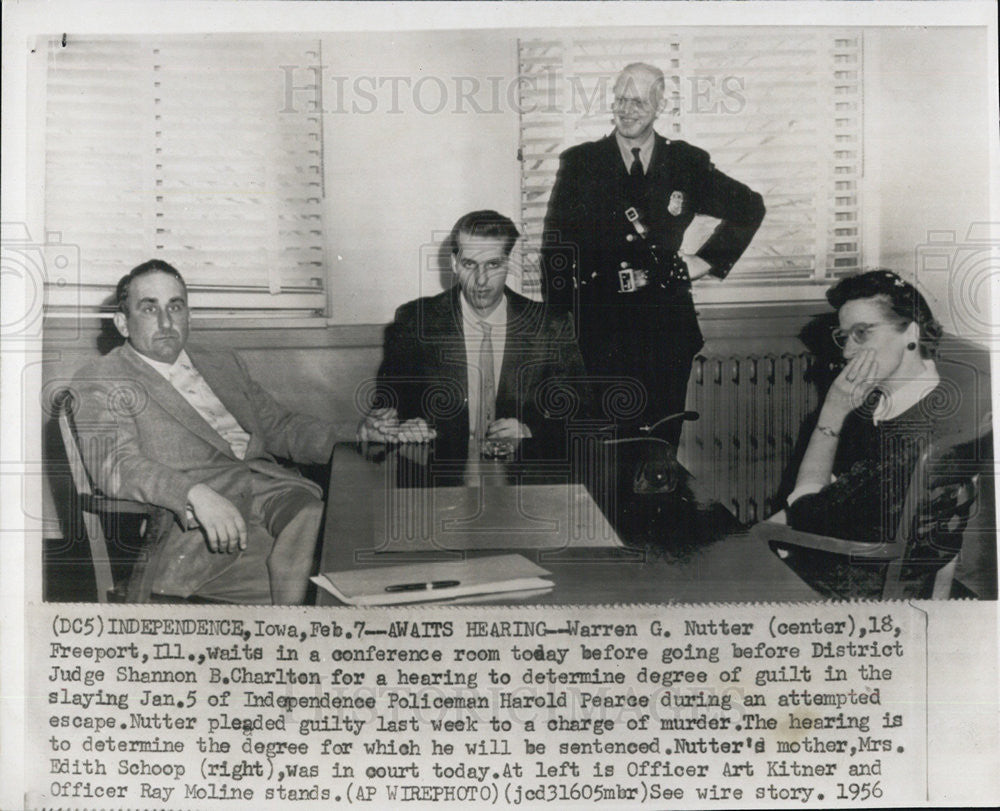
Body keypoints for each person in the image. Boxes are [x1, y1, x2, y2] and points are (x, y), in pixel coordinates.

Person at [73, 260, 336, 604]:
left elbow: (278, 426)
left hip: (277, 497)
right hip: (201, 533)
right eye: (149, 308)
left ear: (188, 316)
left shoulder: (222, 362)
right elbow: (116, 465)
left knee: (326, 529)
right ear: (123, 323)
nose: (166, 322)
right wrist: (193, 492)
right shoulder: (101, 378)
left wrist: (358, 433)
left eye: (175, 306)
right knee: (326, 583)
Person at [541, 62, 765, 445]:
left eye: (639, 102)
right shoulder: (581, 163)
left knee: (659, 449)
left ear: (660, 105)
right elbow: (556, 250)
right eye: (620, 100)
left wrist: (704, 262)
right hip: (599, 330)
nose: (627, 110)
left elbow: (750, 207)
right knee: (607, 447)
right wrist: (562, 331)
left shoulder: (686, 163)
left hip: (666, 331)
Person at [776, 270, 992, 561]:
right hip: (852, 535)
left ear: (911, 333)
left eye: (862, 333)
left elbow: (806, 520)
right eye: (844, 336)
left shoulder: (912, 435)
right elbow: (838, 483)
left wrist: (831, 414)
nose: (848, 352)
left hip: (857, 573)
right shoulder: (883, 400)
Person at [360, 210, 590, 458]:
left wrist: (530, 431)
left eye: (493, 264)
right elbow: (389, 410)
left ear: (509, 263)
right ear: (454, 264)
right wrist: (392, 427)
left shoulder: (550, 325)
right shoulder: (414, 322)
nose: (481, 280)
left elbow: (582, 417)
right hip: (443, 479)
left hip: (524, 479)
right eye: (470, 264)